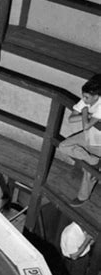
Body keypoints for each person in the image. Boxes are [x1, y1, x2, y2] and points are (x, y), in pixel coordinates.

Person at [58, 74, 101, 207]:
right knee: (63, 146)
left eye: (87, 97)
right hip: (87, 135)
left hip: (99, 141)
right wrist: (86, 114)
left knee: (89, 174)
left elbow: (86, 124)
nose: (83, 99)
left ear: (97, 96)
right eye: (83, 96)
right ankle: (91, 159)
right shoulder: (86, 102)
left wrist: (83, 114)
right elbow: (71, 119)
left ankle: (83, 197)